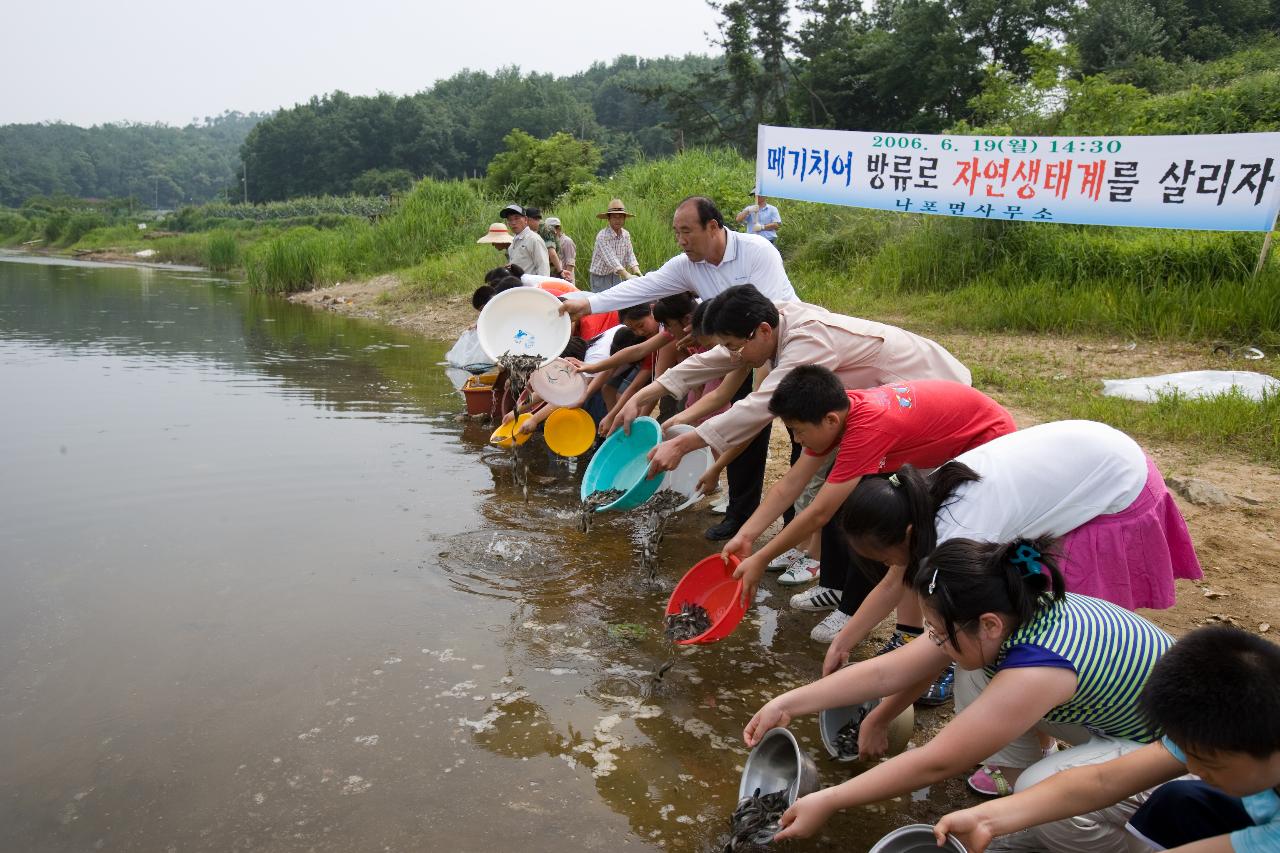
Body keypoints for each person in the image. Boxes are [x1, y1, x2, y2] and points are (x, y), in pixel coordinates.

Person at [829, 420, 1202, 784]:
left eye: (882, 557)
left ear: (907, 535)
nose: (886, 567)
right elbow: (899, 579)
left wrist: (881, 716)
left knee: (1027, 643)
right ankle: (1024, 748)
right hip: (1092, 455)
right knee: (989, 648)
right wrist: (844, 640)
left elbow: (937, 652)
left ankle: (1064, 751)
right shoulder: (913, 500)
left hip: (1117, 488)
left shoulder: (960, 533)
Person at [745, 537, 1175, 850]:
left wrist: (827, 800)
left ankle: (1133, 842)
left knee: (1047, 789)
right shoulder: (1013, 610)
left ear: (988, 623)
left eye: (936, 628)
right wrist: (787, 702)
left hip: (1174, 752)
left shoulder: (1041, 663)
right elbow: (884, 674)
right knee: (971, 666)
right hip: (1113, 714)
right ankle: (1022, 774)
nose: (930, 637)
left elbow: (939, 761)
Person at [611, 285, 971, 537]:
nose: (733, 356)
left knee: (921, 492)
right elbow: (716, 358)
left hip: (930, 390)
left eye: (736, 346)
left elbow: (761, 404)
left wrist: (684, 443)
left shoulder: (808, 340)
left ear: (762, 331)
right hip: (884, 401)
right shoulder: (772, 321)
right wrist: (647, 394)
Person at [721, 367, 1016, 644]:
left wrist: (761, 558)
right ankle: (843, 593)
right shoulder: (838, 414)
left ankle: (910, 632)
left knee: (920, 536)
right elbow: (789, 485)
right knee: (856, 505)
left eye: (798, 431)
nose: (796, 439)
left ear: (830, 420)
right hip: (944, 439)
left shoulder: (868, 426)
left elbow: (819, 514)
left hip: (986, 441)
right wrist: (746, 536)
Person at [934, 623, 1280, 853]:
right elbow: (1102, 780)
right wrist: (987, 818)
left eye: (1209, 762)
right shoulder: (1221, 722)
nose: (1192, 766)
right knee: (1180, 797)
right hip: (1253, 807)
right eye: (1187, 753)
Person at [563, 196, 795, 319]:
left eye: (686, 232)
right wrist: (588, 304)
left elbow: (769, 317)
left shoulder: (757, 251)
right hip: (737, 348)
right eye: (676, 233)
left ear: (712, 227)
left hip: (789, 341)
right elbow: (643, 287)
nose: (680, 241)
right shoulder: (687, 265)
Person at [586, 198, 642, 293]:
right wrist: (628, 275)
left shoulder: (626, 235)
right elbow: (612, 260)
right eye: (614, 217)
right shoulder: (602, 236)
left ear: (624, 218)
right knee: (603, 305)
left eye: (620, 217)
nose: (618, 220)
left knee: (617, 304)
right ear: (609, 218)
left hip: (616, 275)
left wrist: (637, 272)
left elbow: (630, 255)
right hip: (601, 277)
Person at [499, 203, 550, 276]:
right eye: (510, 220)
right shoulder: (513, 243)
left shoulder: (534, 239)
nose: (513, 223)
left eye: (517, 218)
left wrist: (541, 287)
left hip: (531, 286)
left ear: (525, 219)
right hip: (518, 286)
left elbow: (543, 268)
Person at [524, 207, 563, 277]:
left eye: (526, 221)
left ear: (529, 220)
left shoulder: (545, 229)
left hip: (551, 270)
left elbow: (552, 253)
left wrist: (560, 271)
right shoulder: (530, 231)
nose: (525, 224)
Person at [546, 216, 576, 283]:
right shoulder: (551, 241)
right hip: (554, 277)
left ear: (558, 229)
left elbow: (570, 262)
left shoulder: (567, 241)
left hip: (565, 278)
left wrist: (566, 278)